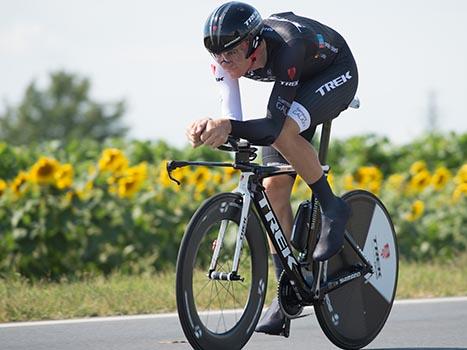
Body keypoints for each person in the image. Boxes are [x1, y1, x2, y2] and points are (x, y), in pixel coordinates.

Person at [186, 1, 358, 336]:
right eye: (217, 55)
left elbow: (271, 127)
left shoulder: (286, 46)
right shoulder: (224, 58)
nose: (224, 62)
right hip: (295, 84)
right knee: (273, 188)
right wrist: (211, 128)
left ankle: (332, 206)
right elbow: (233, 121)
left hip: (334, 72)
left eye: (231, 54)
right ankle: (286, 291)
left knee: (282, 133)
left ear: (254, 42)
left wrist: (228, 127)